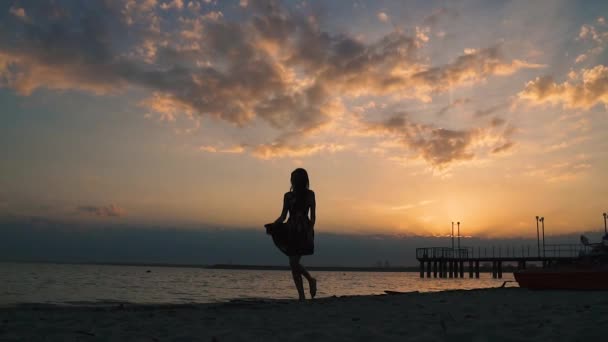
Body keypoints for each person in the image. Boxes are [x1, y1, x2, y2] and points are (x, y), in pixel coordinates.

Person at [265, 168, 317, 301]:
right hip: (291, 229)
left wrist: (310, 230)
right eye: (293, 178)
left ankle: (310, 282)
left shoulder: (310, 194)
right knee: (293, 263)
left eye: (297, 178)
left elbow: (313, 217)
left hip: (303, 230)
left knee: (294, 262)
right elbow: (283, 216)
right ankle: (302, 294)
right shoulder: (288, 196)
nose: (294, 180)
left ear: (303, 180)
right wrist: (274, 225)